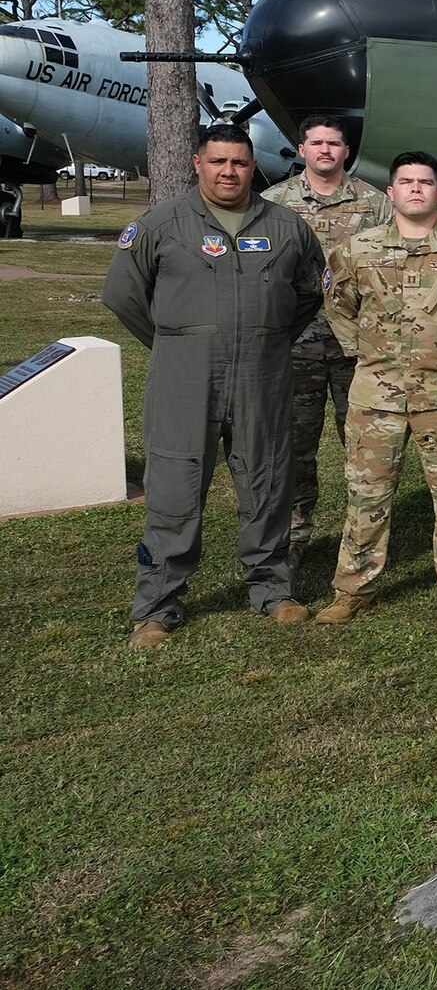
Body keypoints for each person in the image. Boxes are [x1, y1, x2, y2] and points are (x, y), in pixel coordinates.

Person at [105, 124, 324, 648]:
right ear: (197, 163)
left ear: (253, 167)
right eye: (218, 161)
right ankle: (157, 606)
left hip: (263, 375)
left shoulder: (288, 227)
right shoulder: (161, 223)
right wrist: (178, 342)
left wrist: (266, 338)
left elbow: (310, 294)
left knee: (268, 482)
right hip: (185, 377)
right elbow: (123, 294)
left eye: (240, 163)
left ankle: (273, 589)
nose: (229, 172)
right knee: (174, 488)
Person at [314, 152, 437, 625]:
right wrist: (366, 356)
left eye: (426, 182)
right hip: (376, 398)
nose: (416, 189)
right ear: (392, 192)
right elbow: (337, 307)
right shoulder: (357, 252)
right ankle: (353, 588)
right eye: (407, 182)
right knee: (366, 495)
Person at [266, 114, 391, 563]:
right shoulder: (272, 204)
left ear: (346, 151)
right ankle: (297, 533)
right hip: (293, 345)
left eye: (334, 143)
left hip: (356, 348)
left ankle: (364, 535)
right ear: (301, 149)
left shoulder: (376, 205)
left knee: (364, 447)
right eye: (316, 142)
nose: (325, 150)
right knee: (295, 443)